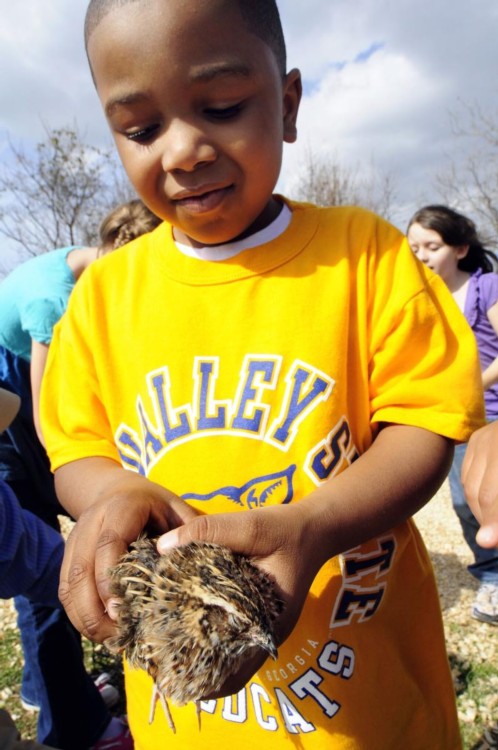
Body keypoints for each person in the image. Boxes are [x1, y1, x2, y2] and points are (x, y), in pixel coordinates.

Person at [40, 1, 485, 748]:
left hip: (368, 708)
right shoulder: (102, 300)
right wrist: (113, 494)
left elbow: (428, 425)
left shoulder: (364, 257)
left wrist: (309, 528)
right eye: (141, 129)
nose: (182, 151)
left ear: (286, 104)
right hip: (190, 718)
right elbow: (75, 449)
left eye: (220, 107)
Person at [0, 199, 160, 750]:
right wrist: (98, 496)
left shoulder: (78, 266)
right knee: (47, 582)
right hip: (15, 427)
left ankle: (47, 690)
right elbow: (51, 425)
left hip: (18, 414)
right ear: (118, 254)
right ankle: (72, 724)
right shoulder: (55, 303)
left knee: (48, 560)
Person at [407, 204, 498, 624]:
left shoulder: (486, 288)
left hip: (494, 414)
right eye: (414, 247)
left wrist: (470, 387)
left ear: (461, 248)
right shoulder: (422, 299)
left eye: (432, 245)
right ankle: (493, 576)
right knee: (467, 504)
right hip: (461, 423)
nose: (422, 255)